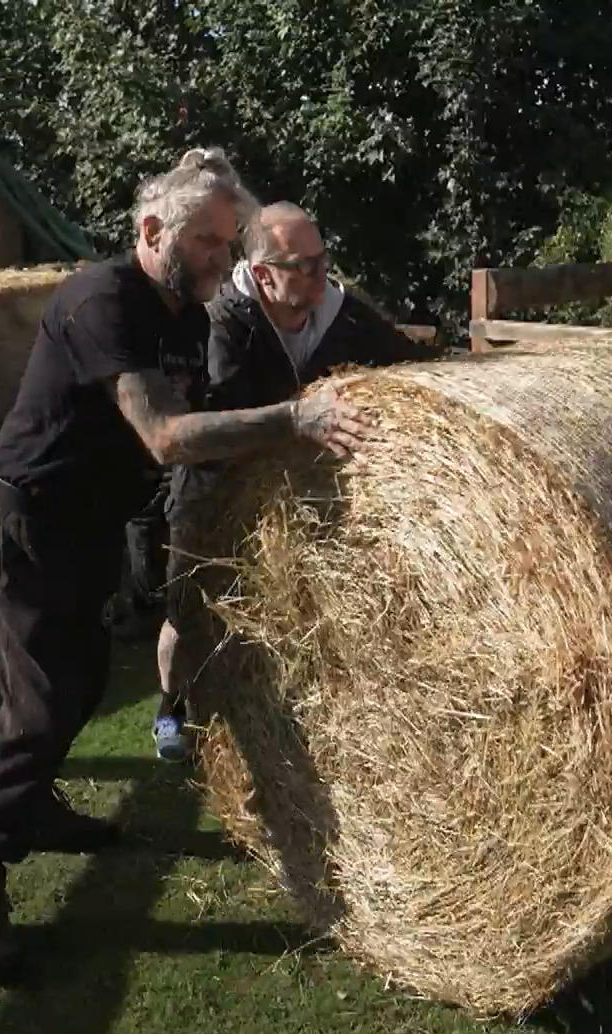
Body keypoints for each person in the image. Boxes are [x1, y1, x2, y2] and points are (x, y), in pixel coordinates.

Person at [0, 149, 373, 983]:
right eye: (214, 243)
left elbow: (207, 417)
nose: (228, 259)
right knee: (36, 708)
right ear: (153, 232)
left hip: (89, 521)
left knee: (78, 681)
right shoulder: (101, 300)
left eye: (229, 242)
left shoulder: (183, 309)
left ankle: (32, 808)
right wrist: (295, 418)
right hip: (31, 519)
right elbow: (166, 436)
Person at [149, 201, 444, 762]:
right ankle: (172, 707)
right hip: (212, 486)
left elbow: (408, 366)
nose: (318, 275)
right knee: (189, 608)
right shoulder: (222, 321)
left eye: (321, 260)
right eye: (301, 265)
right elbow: (218, 414)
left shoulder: (343, 313)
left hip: (302, 495)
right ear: (262, 274)